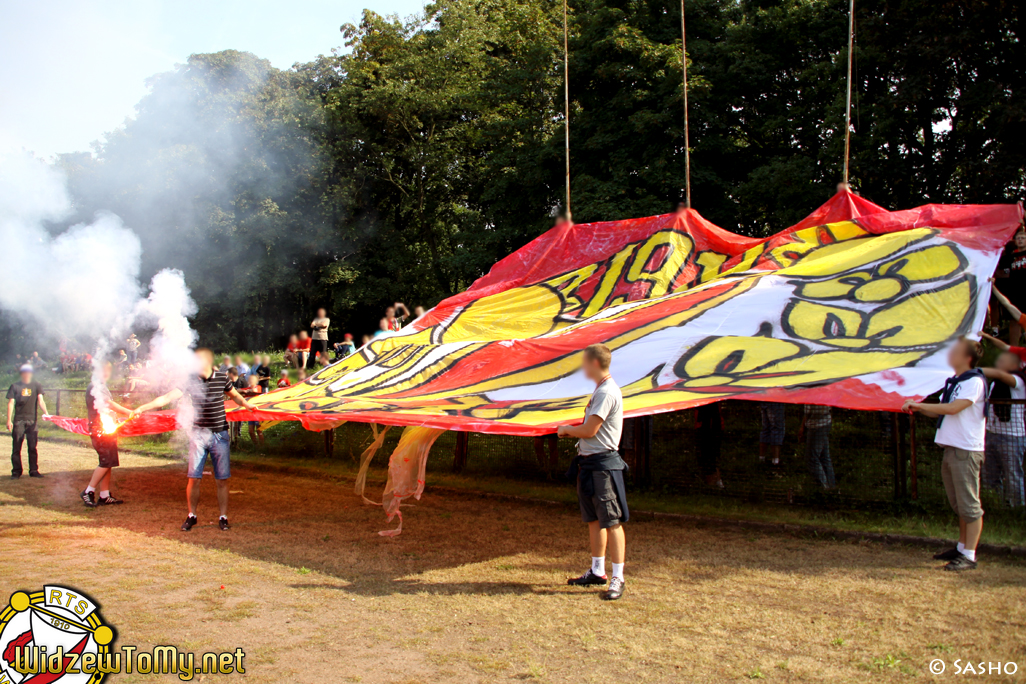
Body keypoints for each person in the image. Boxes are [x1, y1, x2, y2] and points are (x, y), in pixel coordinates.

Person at [132, 348, 258, 532]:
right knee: (194, 478)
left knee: (222, 479)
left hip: (219, 435)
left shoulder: (222, 378)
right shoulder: (190, 380)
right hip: (198, 435)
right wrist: (142, 408)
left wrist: (247, 405)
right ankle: (192, 516)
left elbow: (236, 396)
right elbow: (166, 398)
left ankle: (223, 517)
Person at [902, 336, 986, 571]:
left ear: (967, 357)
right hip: (952, 448)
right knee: (959, 503)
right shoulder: (957, 382)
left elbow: (954, 408)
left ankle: (969, 555)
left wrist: (923, 406)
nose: (950, 354)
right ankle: (961, 548)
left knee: (969, 505)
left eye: (956, 350)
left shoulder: (974, 381)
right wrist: (918, 406)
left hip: (966, 450)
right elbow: (942, 412)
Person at [559, 344, 627, 601]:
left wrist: (566, 429)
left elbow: (590, 430)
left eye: (584, 363)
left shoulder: (607, 392)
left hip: (603, 466)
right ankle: (598, 571)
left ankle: (618, 577)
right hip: (589, 465)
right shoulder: (600, 390)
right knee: (594, 519)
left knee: (611, 521)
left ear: (595, 364)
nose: (582, 368)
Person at [80, 362, 134, 507]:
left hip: (107, 428)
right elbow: (108, 403)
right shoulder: (95, 387)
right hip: (99, 429)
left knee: (109, 462)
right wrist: (128, 411)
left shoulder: (101, 386)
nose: (107, 373)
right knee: (105, 461)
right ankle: (88, 491)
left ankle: (104, 495)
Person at [981, 351, 1026, 507]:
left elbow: (1000, 374)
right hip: (992, 432)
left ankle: (1016, 508)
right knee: (990, 474)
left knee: (1012, 475)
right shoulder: (994, 383)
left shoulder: (1019, 381)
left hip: (1012, 436)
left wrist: (974, 370)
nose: (999, 363)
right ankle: (995, 505)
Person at [6, 365, 47, 478]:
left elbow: (41, 401)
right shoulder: (15, 386)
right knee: (16, 447)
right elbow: (11, 403)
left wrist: (46, 413)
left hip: (32, 420)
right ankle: (16, 471)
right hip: (19, 420)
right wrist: (9, 420)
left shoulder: (36, 385)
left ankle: (33, 471)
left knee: (32, 447)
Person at [996, 229, 1026, 343]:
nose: (1020, 240)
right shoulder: (1010, 256)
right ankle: (1014, 348)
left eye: (1023, 238)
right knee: (1014, 319)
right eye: (1018, 238)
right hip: (1015, 292)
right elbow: (999, 267)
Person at [800, 404, 835, 489]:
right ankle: (831, 486)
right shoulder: (826, 390)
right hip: (826, 421)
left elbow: (808, 411)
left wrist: (802, 427)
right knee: (824, 457)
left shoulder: (811, 392)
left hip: (816, 425)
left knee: (812, 459)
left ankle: (824, 488)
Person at [695, 402, 724, 488]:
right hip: (703, 426)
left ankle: (713, 484)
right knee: (705, 455)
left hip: (710, 427)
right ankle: (714, 482)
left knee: (710, 455)